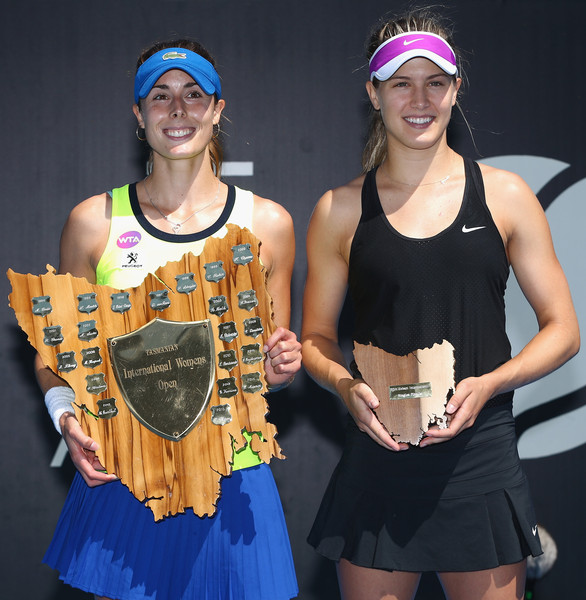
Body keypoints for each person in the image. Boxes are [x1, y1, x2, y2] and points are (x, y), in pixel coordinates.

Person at [301, 8, 579, 600]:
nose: (419, 98)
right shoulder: (339, 210)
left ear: (456, 90)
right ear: (373, 94)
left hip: (479, 458)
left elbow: (563, 329)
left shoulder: (505, 195)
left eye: (436, 81)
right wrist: (347, 388)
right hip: (379, 459)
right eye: (401, 82)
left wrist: (493, 383)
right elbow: (315, 340)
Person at [35, 39, 301, 600]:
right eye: (160, 96)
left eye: (193, 94)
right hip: (124, 477)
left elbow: (268, 363)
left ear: (217, 108)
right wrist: (65, 416)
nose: (178, 110)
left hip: (234, 476)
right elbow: (55, 358)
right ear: (139, 114)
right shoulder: (94, 222)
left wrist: (278, 368)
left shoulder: (269, 224)